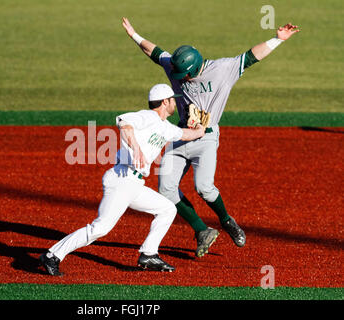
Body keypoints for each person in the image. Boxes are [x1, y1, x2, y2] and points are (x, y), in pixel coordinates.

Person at [122, 17, 300, 257]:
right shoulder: (175, 68)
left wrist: (277, 39)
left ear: (195, 69)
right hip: (180, 134)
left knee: (204, 188)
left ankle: (226, 220)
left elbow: (251, 57)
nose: (179, 78)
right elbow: (155, 53)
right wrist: (134, 35)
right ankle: (201, 230)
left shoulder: (223, 70)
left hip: (206, 137)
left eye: (184, 75)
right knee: (166, 189)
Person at [40, 84, 206, 276]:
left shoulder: (164, 126)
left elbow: (184, 134)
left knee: (167, 209)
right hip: (122, 179)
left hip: (134, 184)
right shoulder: (148, 116)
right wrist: (135, 147)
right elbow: (123, 123)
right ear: (164, 102)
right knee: (100, 228)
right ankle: (52, 255)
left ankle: (149, 254)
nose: (175, 103)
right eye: (172, 99)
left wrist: (200, 131)